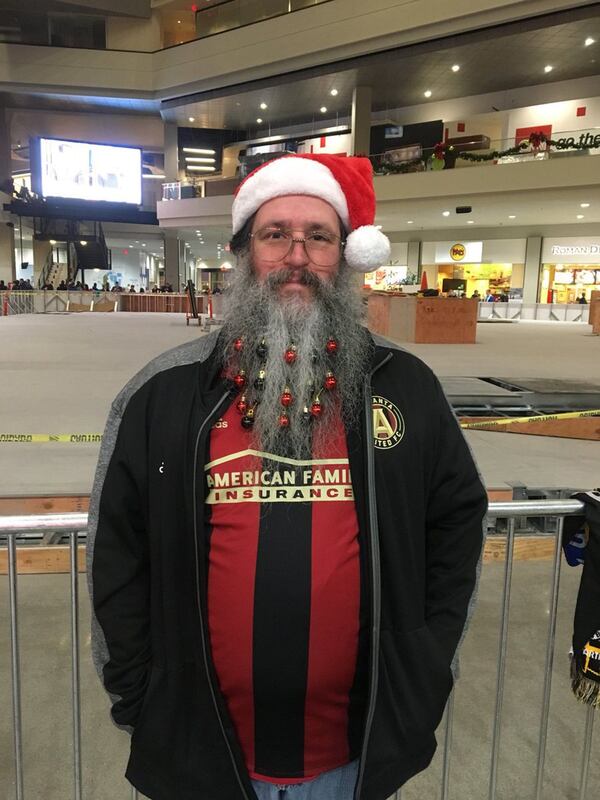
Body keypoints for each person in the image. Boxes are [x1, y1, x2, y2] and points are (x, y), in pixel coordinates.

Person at [87, 154, 487, 800]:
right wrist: (138, 693)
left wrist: (426, 665)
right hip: (200, 754)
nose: (296, 256)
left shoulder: (405, 389)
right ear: (243, 253)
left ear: (346, 256)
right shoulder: (162, 395)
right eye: (276, 235)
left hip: (352, 762)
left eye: (319, 237)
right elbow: (117, 557)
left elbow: (456, 532)